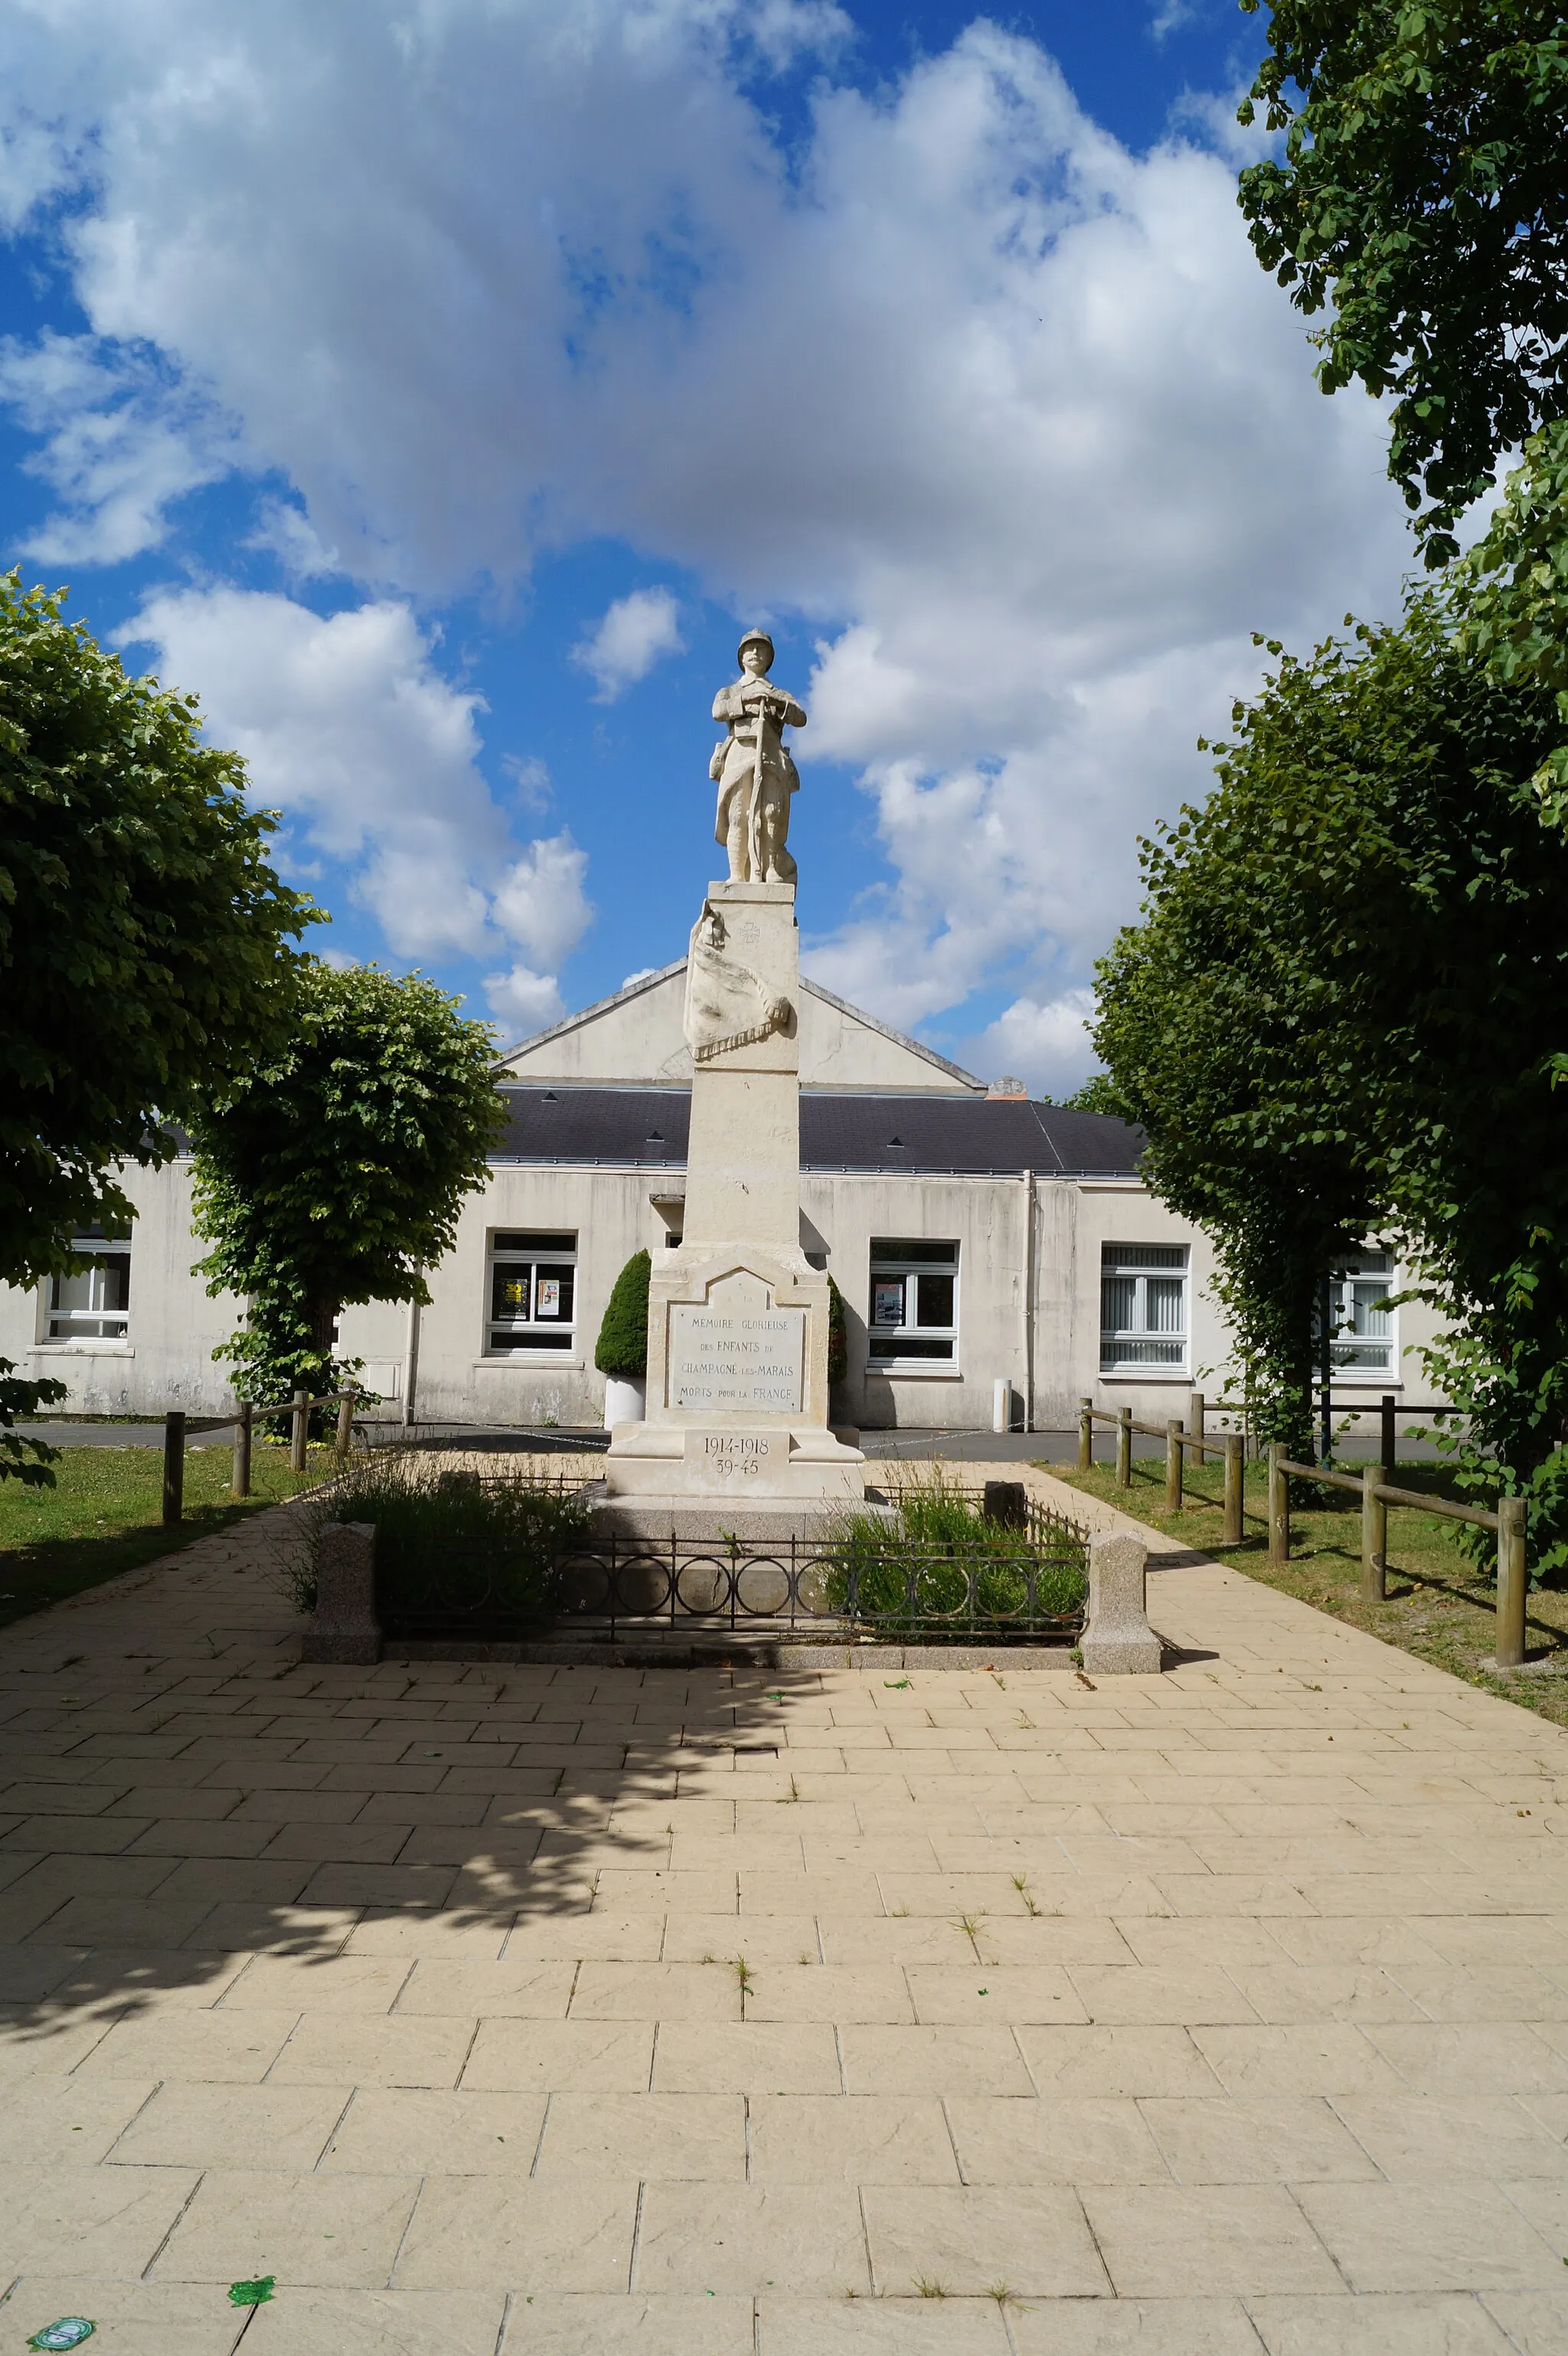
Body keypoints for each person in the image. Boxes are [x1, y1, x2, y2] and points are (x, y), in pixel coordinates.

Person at [710, 627, 805, 883]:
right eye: (750, 649)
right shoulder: (730, 690)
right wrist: (748, 697)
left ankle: (771, 868)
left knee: (770, 813)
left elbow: (800, 717)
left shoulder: (778, 693)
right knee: (739, 815)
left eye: (760, 649)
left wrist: (775, 703)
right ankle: (736, 875)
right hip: (741, 751)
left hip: (771, 753)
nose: (754, 653)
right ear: (741, 657)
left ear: (769, 658)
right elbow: (718, 711)